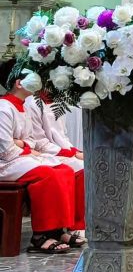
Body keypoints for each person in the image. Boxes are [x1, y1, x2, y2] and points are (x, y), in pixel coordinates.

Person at [0, 62, 82, 253]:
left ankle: (59, 230)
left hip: (20, 157)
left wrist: (22, 144)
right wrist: (24, 147)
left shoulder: (22, 107)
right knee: (48, 175)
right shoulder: (4, 108)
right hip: (5, 162)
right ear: (19, 83)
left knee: (64, 170)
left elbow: (31, 140)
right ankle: (40, 236)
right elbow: (5, 149)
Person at [24, 91, 85, 242]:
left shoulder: (58, 102)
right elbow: (39, 141)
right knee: (74, 169)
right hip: (45, 151)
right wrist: (69, 153)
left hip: (58, 151)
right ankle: (67, 227)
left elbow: (62, 135)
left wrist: (74, 151)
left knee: (83, 167)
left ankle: (78, 224)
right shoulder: (32, 103)